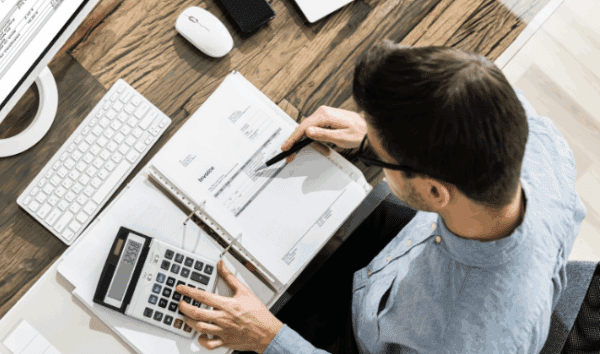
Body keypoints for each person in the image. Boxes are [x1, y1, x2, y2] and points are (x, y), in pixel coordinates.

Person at [174, 41, 587, 353]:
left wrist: (268, 338)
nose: (374, 150)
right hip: (399, 260)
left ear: (434, 190)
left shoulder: (464, 337)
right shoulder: (540, 142)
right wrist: (375, 135)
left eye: (384, 156)